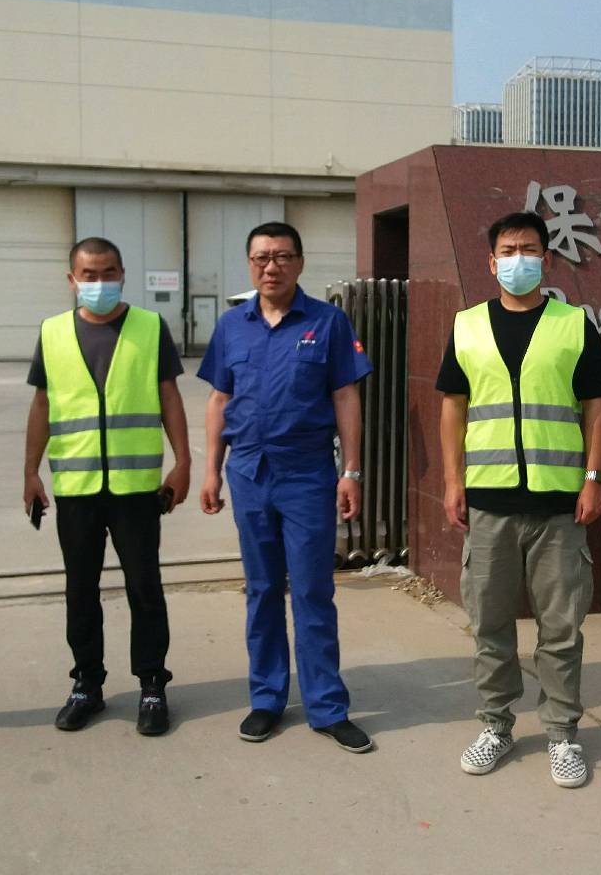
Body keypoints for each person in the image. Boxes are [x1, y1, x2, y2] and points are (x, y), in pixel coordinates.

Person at [437, 210, 601, 789]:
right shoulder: (467, 326)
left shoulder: (573, 324)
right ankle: (496, 725)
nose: (520, 259)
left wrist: (593, 477)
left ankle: (562, 733)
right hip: (488, 504)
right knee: (489, 625)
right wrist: (452, 481)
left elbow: (597, 408)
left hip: (558, 504)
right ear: (491, 263)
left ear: (548, 259)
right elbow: (452, 408)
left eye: (530, 249)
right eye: (509, 251)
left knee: (561, 629)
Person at [198, 221, 374, 753]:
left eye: (281, 256)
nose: (270, 267)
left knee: (314, 591)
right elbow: (219, 400)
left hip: (307, 476)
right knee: (262, 590)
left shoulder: (328, 322)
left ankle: (327, 706)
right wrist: (211, 470)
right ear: (249, 264)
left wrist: (352, 472)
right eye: (261, 258)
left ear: (299, 262)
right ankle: (267, 699)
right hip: (249, 474)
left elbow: (346, 397)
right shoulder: (232, 326)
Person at [24, 237, 191, 737]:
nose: (99, 282)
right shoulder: (52, 331)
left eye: (108, 272)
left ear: (123, 274)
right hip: (76, 486)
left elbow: (168, 395)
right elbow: (42, 405)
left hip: (136, 487)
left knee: (145, 587)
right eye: (89, 275)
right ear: (72, 279)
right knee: (81, 589)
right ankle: (87, 684)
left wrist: (183, 462)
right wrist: (30, 471)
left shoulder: (149, 326)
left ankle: (152, 684)